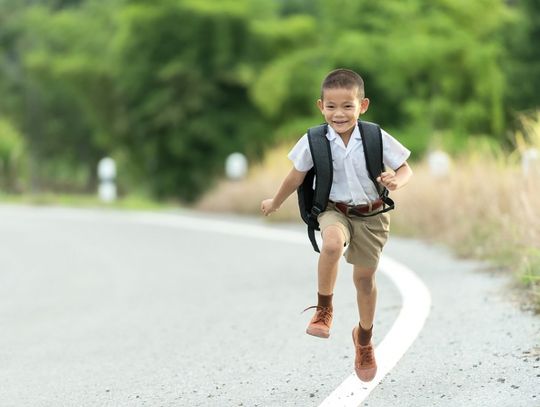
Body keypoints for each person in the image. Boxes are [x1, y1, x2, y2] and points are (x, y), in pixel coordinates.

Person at [260, 68, 413, 382]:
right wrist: (275, 201)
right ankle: (324, 310)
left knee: (364, 281)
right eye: (331, 106)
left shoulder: (374, 136)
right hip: (334, 210)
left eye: (347, 106)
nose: (339, 113)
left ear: (363, 105)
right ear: (321, 106)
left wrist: (396, 180)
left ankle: (364, 338)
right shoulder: (314, 140)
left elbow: (405, 167)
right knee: (330, 244)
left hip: (372, 215)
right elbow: (296, 176)